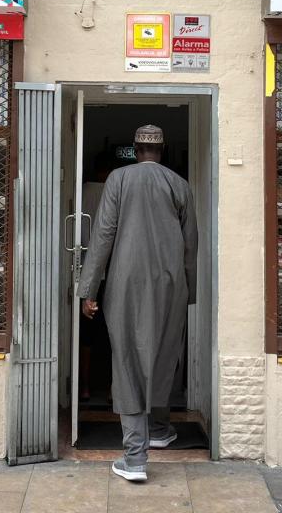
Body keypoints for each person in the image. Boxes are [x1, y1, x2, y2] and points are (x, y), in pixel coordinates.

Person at [78, 124, 197, 483]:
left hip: (125, 283)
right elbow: (190, 245)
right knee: (163, 354)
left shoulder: (118, 178)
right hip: (170, 283)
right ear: (164, 149)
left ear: (135, 148)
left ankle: (134, 458)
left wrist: (89, 290)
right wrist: (189, 292)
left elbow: (103, 235)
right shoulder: (180, 185)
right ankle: (159, 429)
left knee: (128, 357)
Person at [79, 152, 113, 402]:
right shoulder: (115, 192)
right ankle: (114, 388)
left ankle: (85, 387)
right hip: (112, 272)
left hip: (85, 269)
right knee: (114, 332)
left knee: (87, 336)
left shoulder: (82, 191)